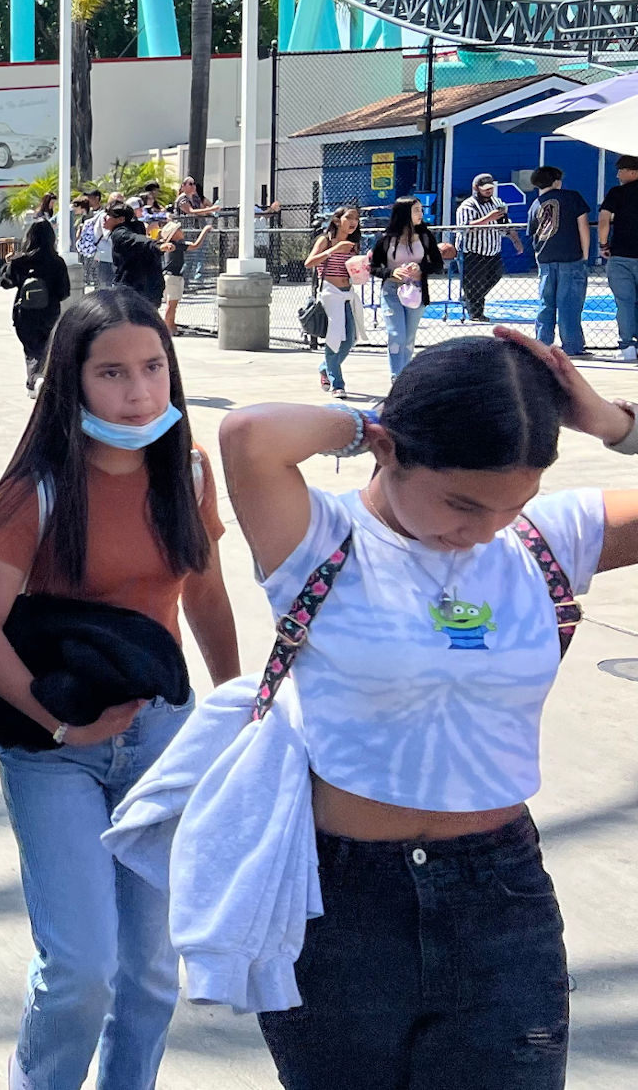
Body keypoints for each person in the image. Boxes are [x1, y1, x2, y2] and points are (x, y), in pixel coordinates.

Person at [218, 329, 638, 1090]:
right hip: (339, 905)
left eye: (513, 504)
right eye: (461, 502)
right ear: (390, 449)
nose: (482, 530)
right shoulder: (320, 536)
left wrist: (614, 424)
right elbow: (247, 434)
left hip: (500, 901)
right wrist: (369, 421)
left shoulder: (545, 539)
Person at [0, 288, 239, 1090]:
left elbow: (206, 593)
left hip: (162, 740)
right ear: (69, 382)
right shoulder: (35, 489)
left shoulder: (187, 468)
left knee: (149, 972)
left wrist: (236, 708)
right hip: (56, 751)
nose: (140, 391)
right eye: (111, 372)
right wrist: (60, 722)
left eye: (153, 367)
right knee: (82, 966)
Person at [369, 196, 445, 382]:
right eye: (416, 210)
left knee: (409, 338)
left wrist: (421, 269)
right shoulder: (386, 239)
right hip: (391, 291)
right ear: (404, 213)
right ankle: (397, 378)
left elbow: (438, 264)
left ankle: (405, 376)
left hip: (416, 292)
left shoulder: (426, 237)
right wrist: (391, 272)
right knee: (396, 335)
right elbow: (373, 267)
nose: (421, 214)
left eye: (421, 209)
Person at [527, 164, 593, 357]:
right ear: (557, 182)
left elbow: (533, 234)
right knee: (569, 304)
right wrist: (585, 254)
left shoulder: (535, 205)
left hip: (545, 260)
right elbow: (583, 226)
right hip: (570, 257)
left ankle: (542, 345)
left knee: (546, 304)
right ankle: (572, 346)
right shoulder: (572, 197)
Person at [3, 217, 71, 391]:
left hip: (24, 313)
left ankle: (35, 380)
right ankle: (40, 380)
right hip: (49, 312)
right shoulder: (57, 262)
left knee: (31, 349)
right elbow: (64, 292)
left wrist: (8, 264)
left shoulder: (20, 261)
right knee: (46, 347)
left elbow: (6, 283)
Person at [305, 206, 367, 399]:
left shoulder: (353, 243)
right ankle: (337, 383)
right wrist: (334, 250)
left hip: (347, 292)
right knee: (334, 337)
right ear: (337, 220)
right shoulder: (326, 240)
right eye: (349, 217)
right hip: (330, 293)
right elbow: (310, 262)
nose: (353, 222)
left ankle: (325, 367)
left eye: (356, 218)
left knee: (349, 339)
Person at [454, 173, 524, 324]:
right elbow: (464, 227)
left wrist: (515, 240)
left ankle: (469, 299)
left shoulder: (497, 202)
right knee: (474, 282)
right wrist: (488, 218)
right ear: (476, 188)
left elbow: (506, 223)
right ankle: (476, 313)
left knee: (495, 276)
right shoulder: (467, 206)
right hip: (472, 250)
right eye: (485, 189)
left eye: (490, 188)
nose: (488, 191)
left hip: (493, 249)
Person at [601, 154, 638, 361]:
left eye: (621, 170)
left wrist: (603, 244)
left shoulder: (617, 193)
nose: (617, 175)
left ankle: (627, 347)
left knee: (624, 302)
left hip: (622, 255)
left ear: (632, 172)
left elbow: (604, 219)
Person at [159, 216, 212, 335]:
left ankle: (172, 327)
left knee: (173, 304)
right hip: (172, 277)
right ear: (173, 235)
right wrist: (204, 231)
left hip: (172, 277)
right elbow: (195, 245)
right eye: (179, 230)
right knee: (171, 305)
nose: (181, 232)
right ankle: (167, 328)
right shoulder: (175, 245)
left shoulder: (176, 244)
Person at [108, 201, 165, 307]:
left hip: (135, 290)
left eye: (109, 216)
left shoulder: (120, 233)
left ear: (120, 219)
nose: (105, 218)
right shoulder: (137, 228)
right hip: (147, 287)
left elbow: (135, 240)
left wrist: (156, 245)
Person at [173, 176, 221, 286]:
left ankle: (187, 281)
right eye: (190, 184)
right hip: (184, 231)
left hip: (196, 230)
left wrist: (211, 212)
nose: (193, 186)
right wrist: (211, 209)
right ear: (183, 186)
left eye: (194, 183)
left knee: (195, 256)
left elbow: (201, 211)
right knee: (187, 257)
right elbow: (191, 211)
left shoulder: (195, 198)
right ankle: (181, 282)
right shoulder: (182, 199)